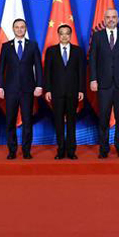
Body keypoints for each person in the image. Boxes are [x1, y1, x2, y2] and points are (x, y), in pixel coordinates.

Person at [89, 8, 119, 159]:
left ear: (118, 19)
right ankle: (104, 148)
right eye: (108, 17)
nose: (111, 19)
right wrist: (93, 79)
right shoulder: (97, 36)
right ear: (104, 19)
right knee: (103, 117)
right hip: (103, 84)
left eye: (113, 17)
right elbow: (93, 60)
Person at [0, 18, 43, 159]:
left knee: (28, 121)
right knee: (10, 120)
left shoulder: (33, 45)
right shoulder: (6, 46)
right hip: (10, 90)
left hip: (28, 89)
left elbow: (38, 67)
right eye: (17, 27)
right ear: (13, 29)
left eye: (22, 27)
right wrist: (0, 87)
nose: (20, 29)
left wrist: (39, 85)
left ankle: (26, 150)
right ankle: (12, 150)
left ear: (26, 29)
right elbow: (1, 69)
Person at [43, 24, 85, 160]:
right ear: (58, 35)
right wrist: (48, 90)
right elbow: (47, 73)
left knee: (72, 122)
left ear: (71, 35)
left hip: (73, 92)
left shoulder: (78, 51)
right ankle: (61, 150)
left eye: (67, 33)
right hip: (56, 92)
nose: (65, 36)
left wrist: (81, 90)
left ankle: (71, 150)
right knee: (59, 122)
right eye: (62, 33)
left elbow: (81, 73)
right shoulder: (51, 51)